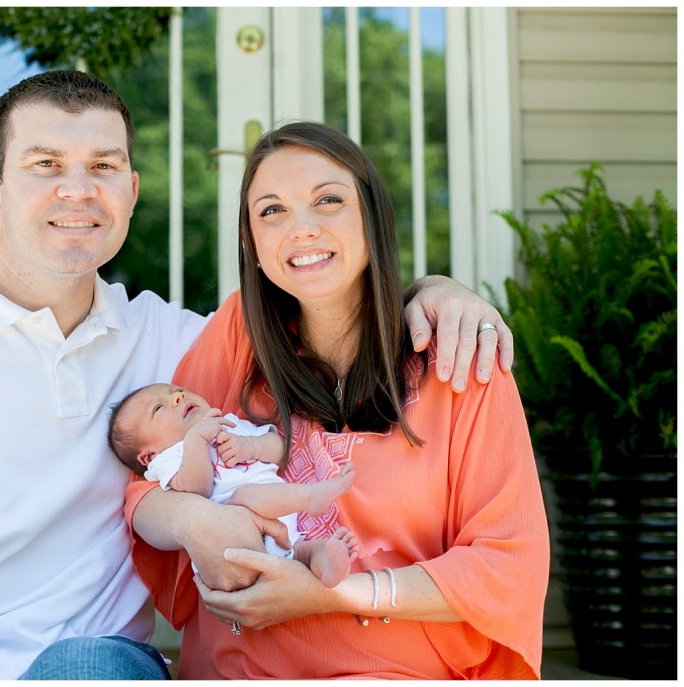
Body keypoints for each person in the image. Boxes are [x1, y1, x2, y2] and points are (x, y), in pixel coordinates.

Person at [0, 70, 515, 681]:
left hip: (93, 664)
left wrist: (432, 292)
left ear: (131, 191)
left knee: (84, 667)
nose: (77, 190)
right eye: (45, 165)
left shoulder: (182, 343)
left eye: (103, 168)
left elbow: (322, 300)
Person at [126, 122, 550, 679]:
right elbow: (149, 482)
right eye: (271, 211)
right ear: (252, 245)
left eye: (328, 200)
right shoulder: (239, 333)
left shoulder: (457, 359)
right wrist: (189, 519)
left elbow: (507, 564)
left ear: (372, 218)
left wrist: (336, 594)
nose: (302, 229)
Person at [108, 383, 359, 588]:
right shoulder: (166, 459)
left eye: (176, 390)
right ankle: (309, 498)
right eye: (158, 408)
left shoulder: (229, 423)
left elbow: (280, 449)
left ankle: (329, 566)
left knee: (305, 551)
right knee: (244, 495)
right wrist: (196, 440)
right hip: (233, 544)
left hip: (283, 523)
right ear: (147, 456)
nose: (178, 397)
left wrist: (250, 445)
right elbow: (197, 490)